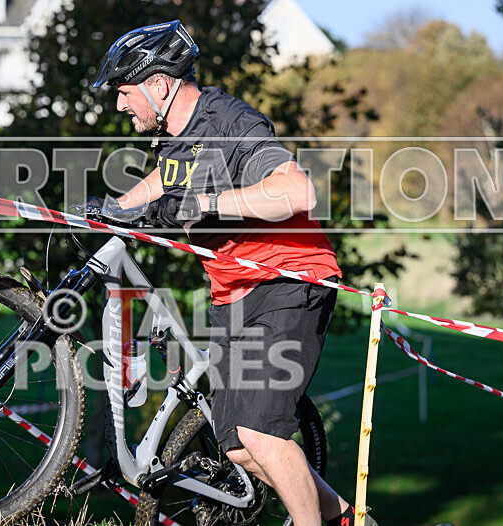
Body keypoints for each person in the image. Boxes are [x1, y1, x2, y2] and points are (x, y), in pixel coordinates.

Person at [93, 21, 375, 526]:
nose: (119, 104)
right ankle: (347, 519)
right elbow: (167, 180)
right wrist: (114, 207)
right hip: (234, 292)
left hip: (290, 279)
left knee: (262, 433)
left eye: (124, 90)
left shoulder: (232, 123)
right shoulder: (177, 138)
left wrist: (207, 203)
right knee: (240, 448)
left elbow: (297, 193)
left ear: (158, 85)